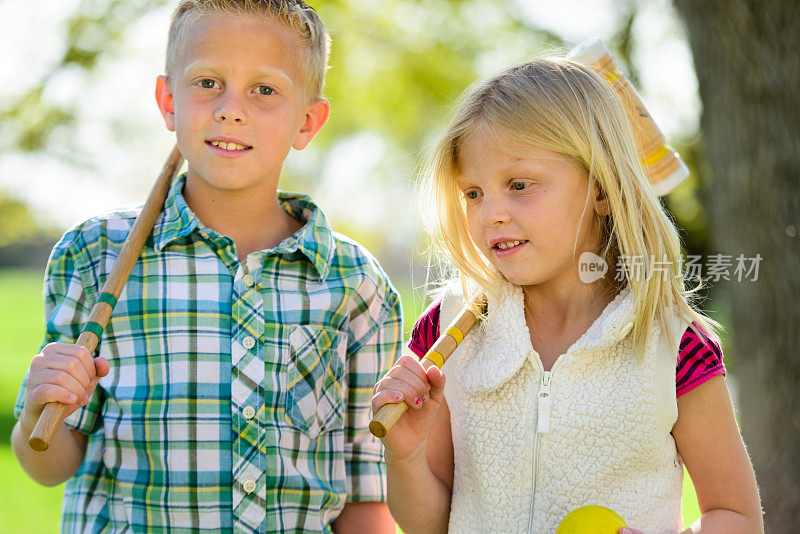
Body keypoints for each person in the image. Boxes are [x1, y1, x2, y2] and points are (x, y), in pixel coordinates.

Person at [11, 1, 401, 532]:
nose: (230, 109)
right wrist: (41, 409)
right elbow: (48, 465)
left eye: (264, 90)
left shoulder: (355, 285)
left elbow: (364, 495)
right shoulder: (96, 254)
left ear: (307, 121)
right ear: (169, 101)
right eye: (208, 82)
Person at [372, 58, 763, 534]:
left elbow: (737, 515)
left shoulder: (673, 345)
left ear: (601, 188)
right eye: (473, 193)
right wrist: (406, 456)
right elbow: (429, 526)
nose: (490, 213)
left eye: (519, 185)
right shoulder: (447, 330)